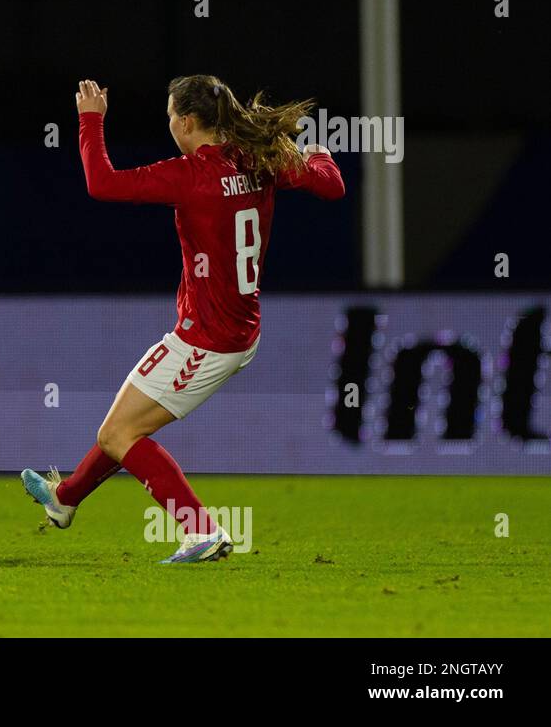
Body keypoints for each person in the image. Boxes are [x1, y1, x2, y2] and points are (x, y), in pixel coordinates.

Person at [22, 76, 345, 562]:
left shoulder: (191, 174)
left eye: (171, 115)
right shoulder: (257, 160)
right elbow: (333, 185)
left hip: (209, 339)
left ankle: (202, 532)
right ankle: (65, 499)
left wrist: (91, 119)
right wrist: (317, 154)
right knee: (123, 427)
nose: (169, 123)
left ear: (188, 122)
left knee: (118, 433)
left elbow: (101, 183)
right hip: (238, 327)